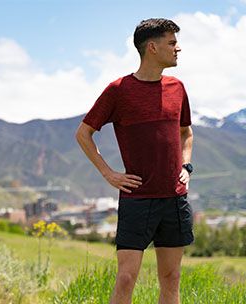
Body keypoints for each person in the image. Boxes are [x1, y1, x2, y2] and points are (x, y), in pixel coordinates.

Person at [75, 18, 194, 304]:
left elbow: (186, 133)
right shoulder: (119, 90)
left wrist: (186, 167)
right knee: (126, 278)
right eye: (172, 43)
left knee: (171, 279)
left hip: (174, 199)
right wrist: (109, 173)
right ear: (152, 48)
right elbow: (84, 134)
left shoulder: (177, 88)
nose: (178, 48)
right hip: (137, 198)